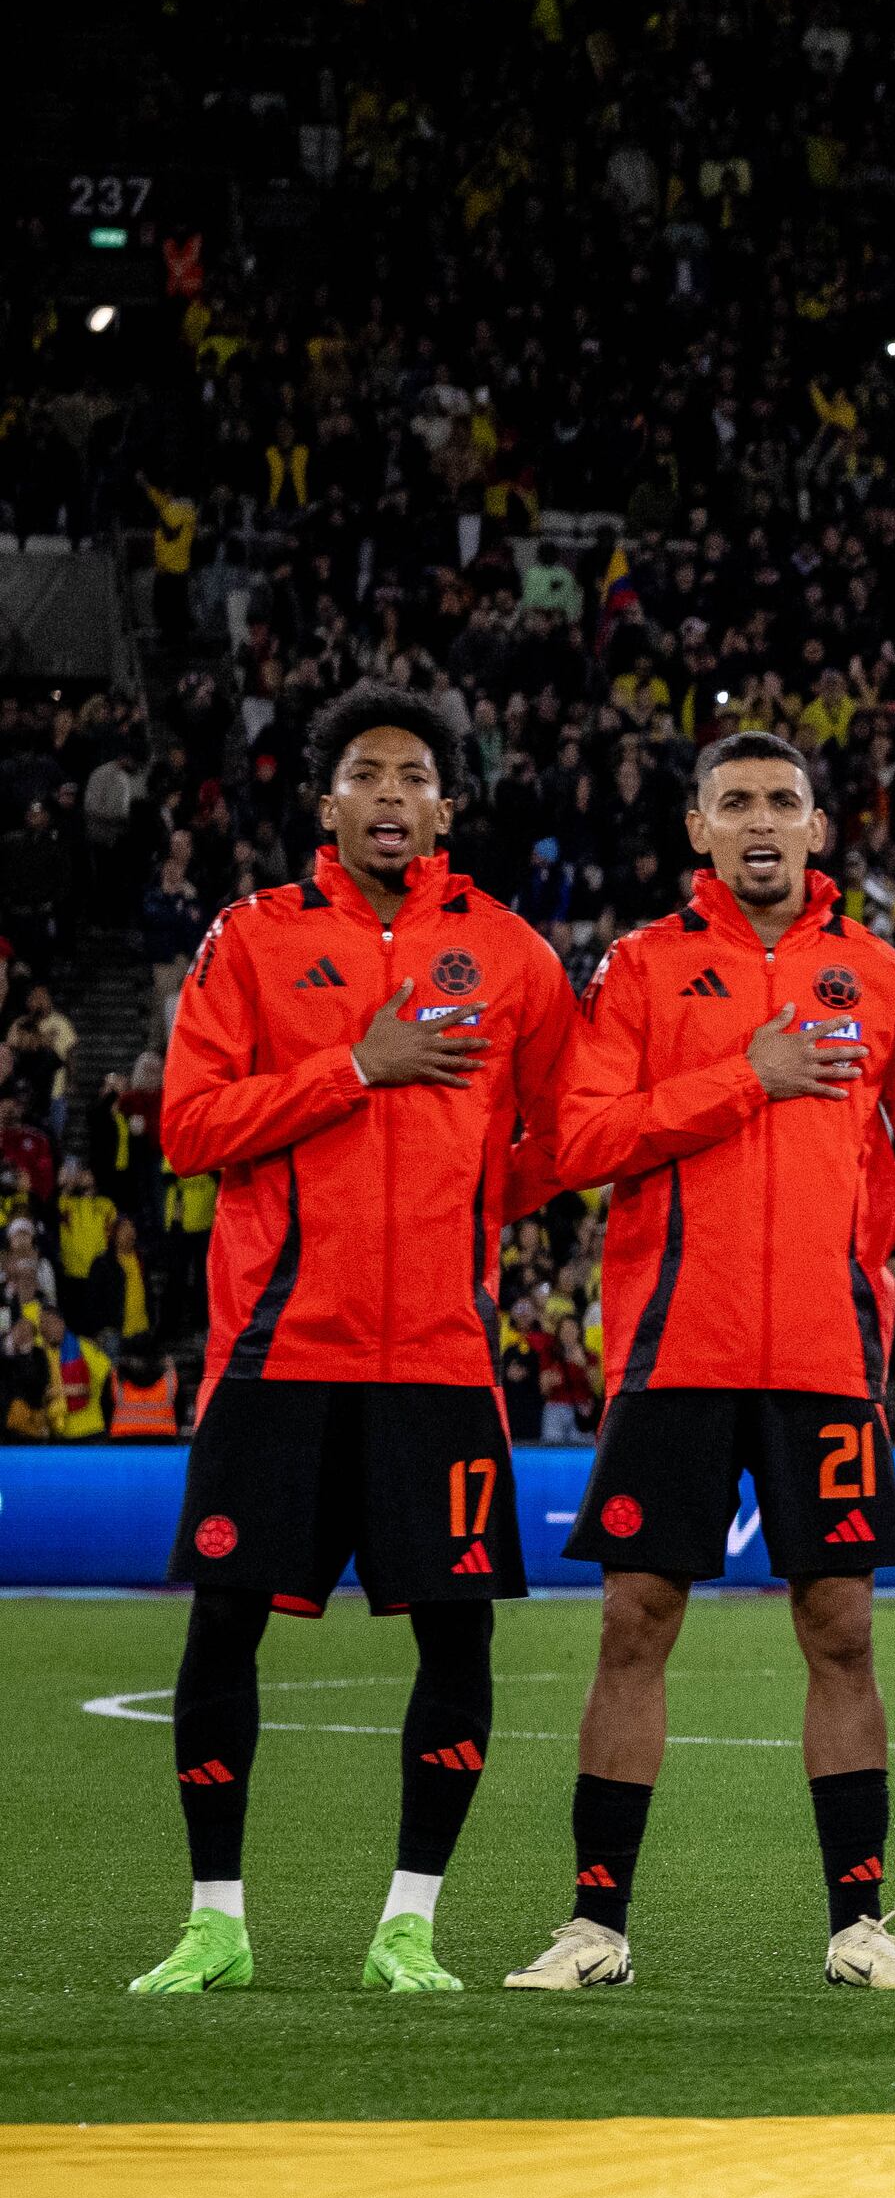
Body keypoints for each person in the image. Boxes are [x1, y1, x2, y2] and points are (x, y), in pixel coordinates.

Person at [125, 684, 575, 1997]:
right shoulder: (252, 940)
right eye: (367, 773)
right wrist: (358, 1068)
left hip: (440, 1354)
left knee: (461, 1638)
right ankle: (216, 1919)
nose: (392, 793)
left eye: (415, 775)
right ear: (326, 804)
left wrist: (472, 1207)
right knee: (222, 1625)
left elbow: (558, 1136)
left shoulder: (513, 956)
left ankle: (409, 1926)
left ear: (447, 804)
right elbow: (189, 1129)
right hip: (280, 1352)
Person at [512, 733, 895, 1993]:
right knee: (633, 1622)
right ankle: (593, 1923)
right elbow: (586, 1138)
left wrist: (846, 1233)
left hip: (826, 1360)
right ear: (698, 831)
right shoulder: (644, 968)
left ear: (819, 828)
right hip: (677, 1355)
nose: (761, 820)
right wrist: (745, 1077)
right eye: (736, 803)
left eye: (783, 800)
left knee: (840, 1628)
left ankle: (860, 1924)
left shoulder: (881, 977)